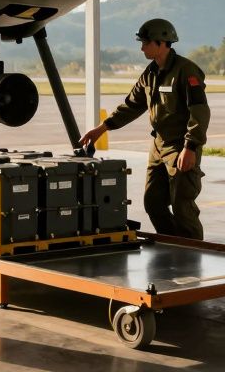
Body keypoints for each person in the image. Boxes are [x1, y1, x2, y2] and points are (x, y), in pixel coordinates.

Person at [79, 18, 210, 239]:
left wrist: (191, 146)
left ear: (161, 43)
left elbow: (200, 112)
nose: (142, 48)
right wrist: (102, 128)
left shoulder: (186, 71)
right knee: (153, 203)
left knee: (182, 207)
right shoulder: (150, 73)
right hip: (158, 146)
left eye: (146, 43)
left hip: (180, 146)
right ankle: (173, 244)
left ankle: (193, 251)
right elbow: (132, 105)